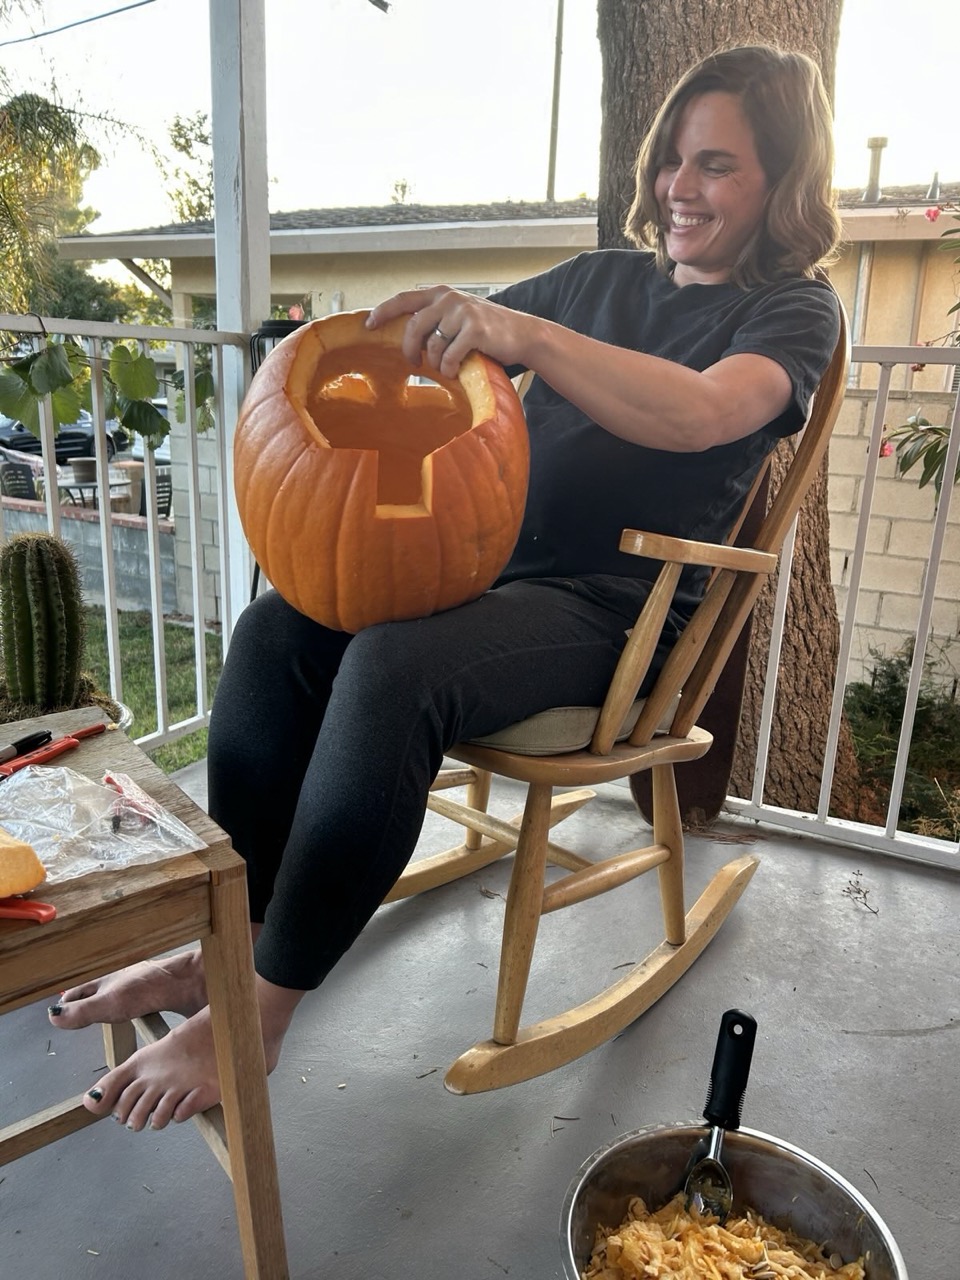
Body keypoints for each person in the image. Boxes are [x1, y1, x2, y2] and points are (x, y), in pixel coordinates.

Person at [48, 44, 842, 1131]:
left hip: (617, 619)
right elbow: (441, 350)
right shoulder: (601, 280)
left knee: (392, 664)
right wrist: (322, 369)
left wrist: (526, 333)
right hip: (489, 585)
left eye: (717, 167)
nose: (678, 188)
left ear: (781, 184)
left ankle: (262, 1009)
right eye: (673, 161)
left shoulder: (793, 315)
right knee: (280, 627)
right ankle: (220, 944)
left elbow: (701, 411)